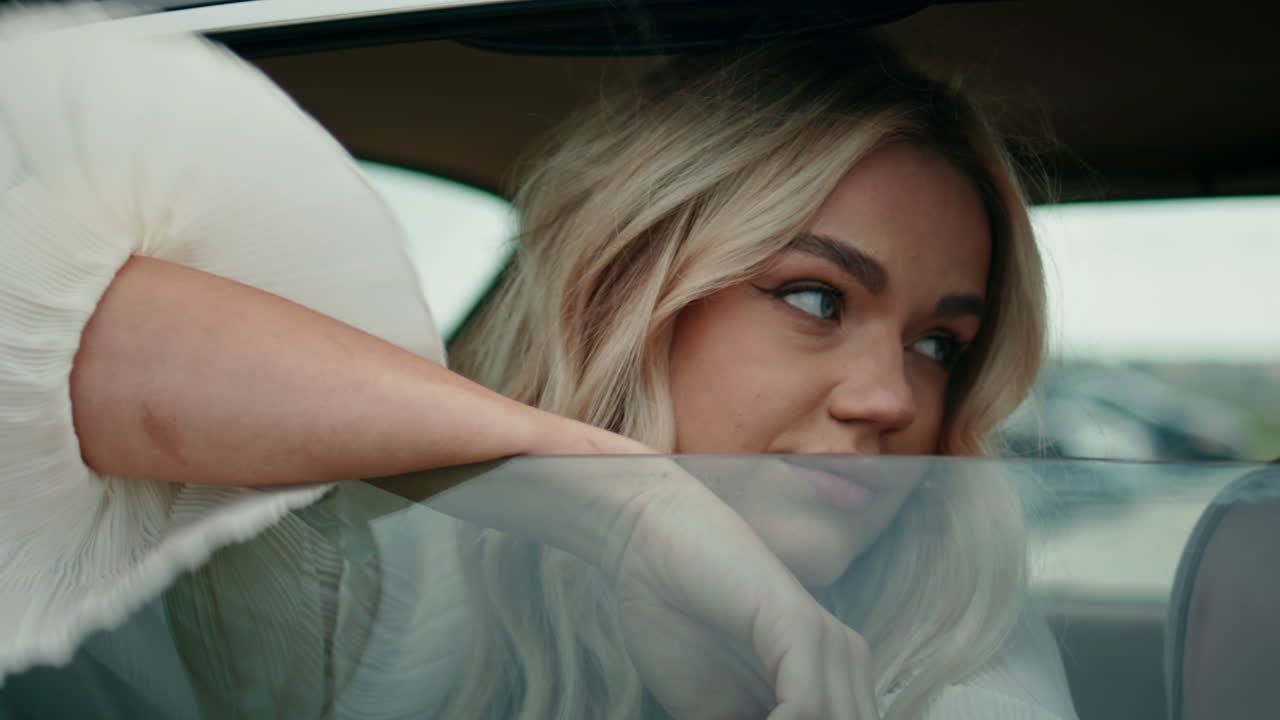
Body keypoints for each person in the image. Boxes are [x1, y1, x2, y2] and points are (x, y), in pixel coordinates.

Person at [0, 5, 1076, 719]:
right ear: (624, 292)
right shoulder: (358, 575)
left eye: (942, 344)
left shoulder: (953, 616)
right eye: (812, 296)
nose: (892, 398)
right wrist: (632, 512)